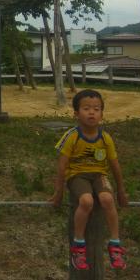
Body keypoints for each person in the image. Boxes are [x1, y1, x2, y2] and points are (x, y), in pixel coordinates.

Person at [50, 89, 128, 270]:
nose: (92, 112)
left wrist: (121, 191)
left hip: (99, 175)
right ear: (76, 113)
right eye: (86, 108)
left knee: (107, 199)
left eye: (96, 109)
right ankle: (78, 246)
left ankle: (115, 244)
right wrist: (58, 192)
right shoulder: (72, 136)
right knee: (86, 201)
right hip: (77, 176)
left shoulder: (106, 138)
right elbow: (62, 166)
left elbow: (115, 165)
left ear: (102, 114)